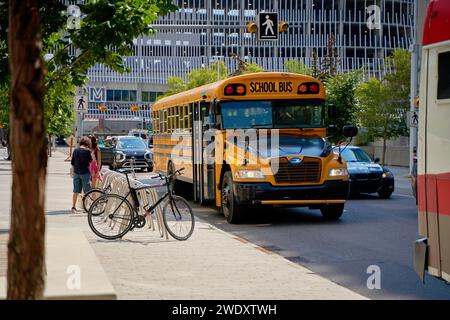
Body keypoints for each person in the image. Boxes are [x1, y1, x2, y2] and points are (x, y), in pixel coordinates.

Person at [70, 136, 92, 214]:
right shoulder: (87, 151)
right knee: (87, 191)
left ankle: (73, 207)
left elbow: (72, 162)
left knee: (75, 191)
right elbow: (90, 161)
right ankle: (86, 207)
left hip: (76, 172)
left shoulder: (75, 150)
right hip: (85, 173)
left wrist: (72, 172)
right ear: (87, 143)